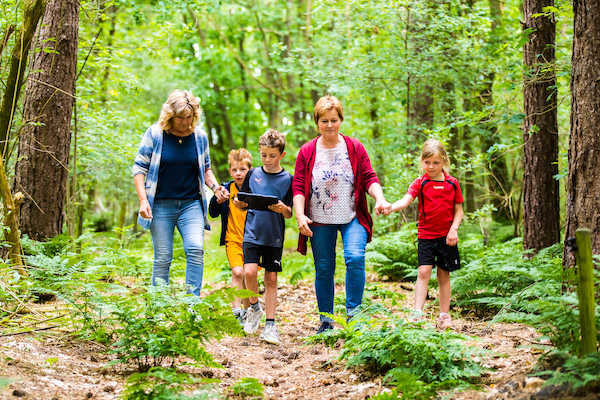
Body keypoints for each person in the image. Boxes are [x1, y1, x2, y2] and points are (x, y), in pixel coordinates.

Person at [292, 95, 389, 334]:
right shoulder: (307, 151)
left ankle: (354, 317)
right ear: (317, 122)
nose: (329, 125)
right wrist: (300, 216)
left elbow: (369, 177)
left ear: (340, 120)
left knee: (355, 257)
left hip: (351, 215)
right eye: (324, 121)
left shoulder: (354, 147)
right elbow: (298, 185)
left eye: (333, 120)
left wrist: (380, 198)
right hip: (319, 219)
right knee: (324, 268)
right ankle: (326, 320)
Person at [133, 89, 228, 296]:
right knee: (163, 257)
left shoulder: (199, 137)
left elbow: (206, 168)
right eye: (181, 118)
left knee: (195, 250)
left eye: (190, 117)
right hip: (159, 205)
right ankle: (159, 308)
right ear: (170, 115)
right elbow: (139, 169)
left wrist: (215, 187)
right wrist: (143, 201)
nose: (186, 122)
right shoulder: (155, 134)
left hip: (191, 204)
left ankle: (191, 306)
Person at [384, 139, 464, 329]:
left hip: (447, 237)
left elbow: (459, 211)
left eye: (435, 163)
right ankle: (417, 313)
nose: (431, 166)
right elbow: (405, 201)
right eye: (427, 162)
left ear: (443, 161)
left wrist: (454, 229)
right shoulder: (420, 183)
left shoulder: (452, 184)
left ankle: (444, 315)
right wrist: (390, 207)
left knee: (444, 275)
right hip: (426, 235)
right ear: (422, 162)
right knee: (423, 272)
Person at [233, 129, 293, 345]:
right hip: (252, 232)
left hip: (274, 236)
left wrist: (282, 208)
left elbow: (289, 212)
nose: (267, 160)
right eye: (264, 155)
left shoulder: (288, 179)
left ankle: (270, 324)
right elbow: (245, 201)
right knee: (249, 271)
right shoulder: (253, 174)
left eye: (272, 156)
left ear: (281, 155)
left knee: (271, 278)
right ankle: (254, 307)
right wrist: (239, 205)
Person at [209, 148, 253, 325]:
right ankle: (237, 313)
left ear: (249, 169)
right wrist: (217, 200)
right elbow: (212, 213)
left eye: (242, 169)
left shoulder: (254, 188)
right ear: (230, 171)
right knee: (237, 272)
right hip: (232, 239)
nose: (238, 173)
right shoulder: (226, 189)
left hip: (252, 240)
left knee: (248, 276)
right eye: (234, 170)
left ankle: (247, 310)